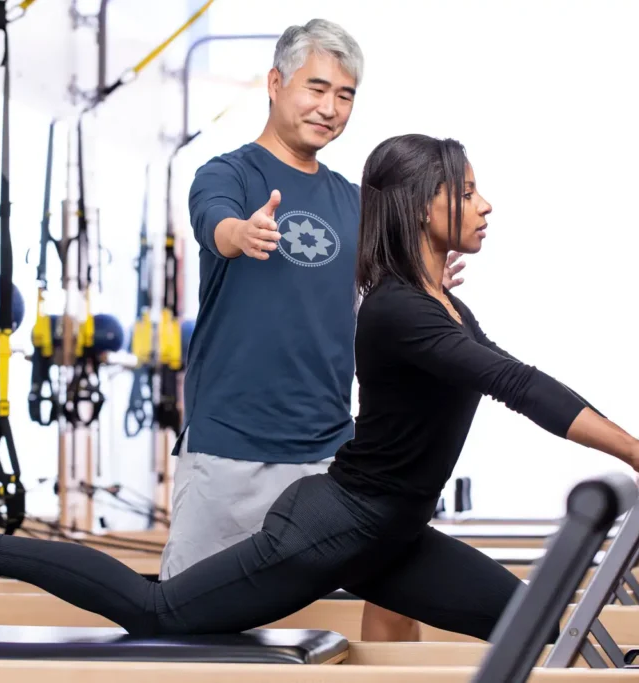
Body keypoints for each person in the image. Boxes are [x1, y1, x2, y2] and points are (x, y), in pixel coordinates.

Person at [0, 133, 639, 640]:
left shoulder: (438, 302)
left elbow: (506, 374)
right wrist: (635, 448)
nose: (485, 205)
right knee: (158, 612)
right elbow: (514, 383)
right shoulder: (399, 314)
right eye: (467, 191)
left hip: (391, 533)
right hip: (334, 528)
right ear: (425, 207)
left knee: (537, 620)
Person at [168, 17, 462, 642]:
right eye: (316, 88)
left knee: (397, 592)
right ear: (275, 84)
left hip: (331, 454)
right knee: (190, 628)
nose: (330, 108)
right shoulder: (229, 175)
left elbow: (398, 277)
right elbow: (214, 222)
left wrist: (427, 278)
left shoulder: (356, 202)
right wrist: (239, 235)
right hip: (230, 448)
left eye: (345, 95)